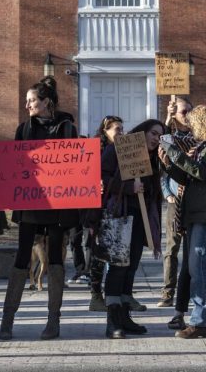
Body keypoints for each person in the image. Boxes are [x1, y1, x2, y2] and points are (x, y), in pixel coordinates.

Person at [0, 76, 79, 341]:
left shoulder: (67, 127)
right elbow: (15, 165)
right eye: (27, 101)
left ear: (46, 102)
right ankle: (7, 319)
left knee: (55, 257)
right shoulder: (23, 129)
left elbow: (75, 165)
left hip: (58, 204)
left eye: (32, 100)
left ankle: (53, 320)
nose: (27, 105)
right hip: (30, 202)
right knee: (22, 256)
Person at [159, 106, 206, 339]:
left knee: (197, 265)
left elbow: (202, 172)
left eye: (193, 125)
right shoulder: (204, 146)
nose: (191, 130)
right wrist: (168, 164)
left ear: (203, 123)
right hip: (195, 211)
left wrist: (175, 153)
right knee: (197, 266)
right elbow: (188, 177)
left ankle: (200, 320)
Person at [101, 119, 164, 339]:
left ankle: (125, 318)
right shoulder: (116, 149)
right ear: (143, 132)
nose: (156, 139)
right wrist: (128, 187)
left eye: (160, 136)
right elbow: (102, 177)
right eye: (154, 134)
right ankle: (113, 321)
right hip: (120, 216)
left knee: (131, 268)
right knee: (118, 267)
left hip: (140, 217)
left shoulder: (153, 157)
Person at [158, 96, 193, 309]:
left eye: (189, 111)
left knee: (191, 250)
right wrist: (167, 193)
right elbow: (162, 164)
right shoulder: (170, 136)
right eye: (183, 112)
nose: (186, 116)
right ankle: (168, 292)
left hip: (193, 199)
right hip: (174, 199)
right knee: (171, 249)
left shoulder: (197, 136)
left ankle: (188, 291)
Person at [88, 115, 124, 312]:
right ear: (105, 131)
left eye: (122, 129)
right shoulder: (97, 151)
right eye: (117, 129)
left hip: (114, 208)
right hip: (98, 209)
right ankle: (95, 295)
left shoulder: (122, 151)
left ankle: (114, 294)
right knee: (98, 252)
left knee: (112, 251)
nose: (121, 132)